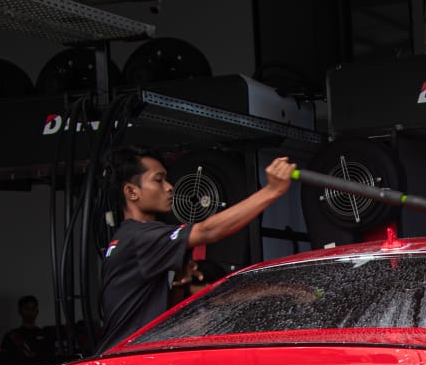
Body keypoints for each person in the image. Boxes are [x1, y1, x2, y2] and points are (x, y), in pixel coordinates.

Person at [97, 147, 291, 352]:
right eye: (158, 180)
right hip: (127, 359)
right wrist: (272, 191)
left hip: (127, 357)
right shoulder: (139, 237)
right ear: (131, 192)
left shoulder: (130, 237)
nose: (169, 187)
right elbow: (208, 231)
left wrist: (179, 283)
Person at [0, 294, 51, 362]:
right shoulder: (11, 336)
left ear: (37, 311)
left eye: (33, 309)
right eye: (27, 309)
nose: (30, 312)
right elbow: (4, 360)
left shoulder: (45, 334)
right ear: (20, 311)